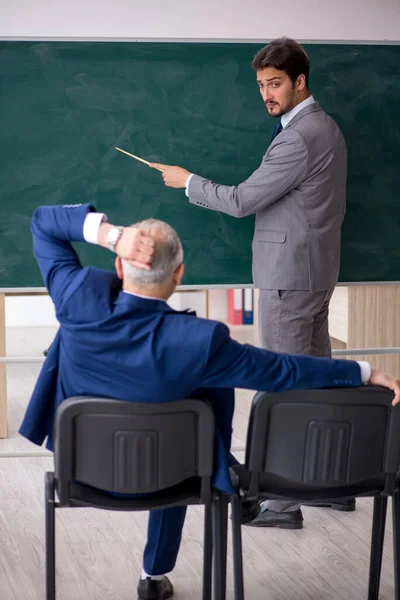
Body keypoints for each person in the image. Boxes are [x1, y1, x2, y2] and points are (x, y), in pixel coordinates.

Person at [20, 204, 400, 600]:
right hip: (170, 476)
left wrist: (112, 235)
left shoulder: (76, 298)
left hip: (81, 473)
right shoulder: (200, 343)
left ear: (119, 269)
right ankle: (154, 574)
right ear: (179, 275)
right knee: (180, 435)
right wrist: (364, 372)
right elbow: (283, 371)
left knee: (172, 428)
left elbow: (43, 223)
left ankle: (156, 574)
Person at [149, 36, 351, 527]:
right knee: (317, 382)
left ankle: (282, 504)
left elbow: (241, 201)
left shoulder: (299, 137)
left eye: (276, 83)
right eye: (262, 84)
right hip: (315, 273)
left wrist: (189, 182)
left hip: (289, 280)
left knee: (281, 387)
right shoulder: (325, 128)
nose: (267, 93)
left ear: (300, 81)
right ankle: (333, 484)